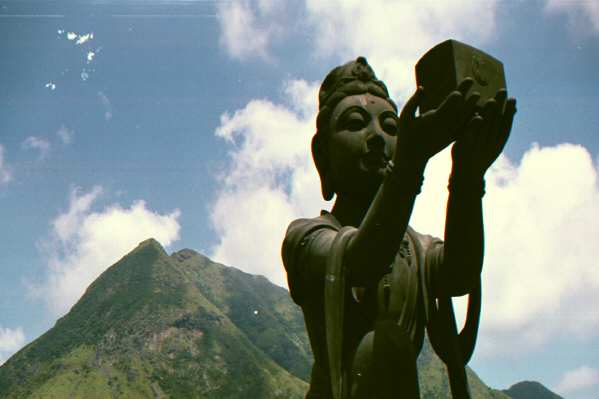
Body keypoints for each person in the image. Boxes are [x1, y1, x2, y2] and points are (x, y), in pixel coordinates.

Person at [281, 57, 516, 399]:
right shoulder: (307, 237)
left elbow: (459, 274)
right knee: (383, 343)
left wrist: (467, 179)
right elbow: (360, 263)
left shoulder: (417, 248)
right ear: (322, 155)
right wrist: (409, 163)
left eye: (392, 128)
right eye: (355, 123)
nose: (377, 137)